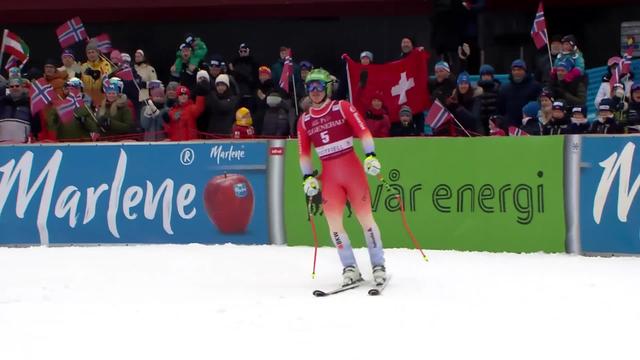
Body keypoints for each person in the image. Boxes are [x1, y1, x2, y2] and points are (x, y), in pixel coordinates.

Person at [297, 68, 387, 286]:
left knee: (366, 219)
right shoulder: (305, 120)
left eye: (319, 86)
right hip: (330, 179)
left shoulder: (342, 107)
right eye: (310, 87)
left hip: (353, 172)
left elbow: (364, 131)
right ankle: (349, 267)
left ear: (328, 87)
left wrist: (371, 156)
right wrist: (307, 178)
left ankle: (378, 265)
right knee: (334, 224)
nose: (315, 91)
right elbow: (304, 153)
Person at [497, 59, 542, 127]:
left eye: (519, 69)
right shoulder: (504, 88)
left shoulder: (535, 86)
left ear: (525, 71)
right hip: (510, 125)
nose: (516, 72)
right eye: (514, 70)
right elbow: (501, 108)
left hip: (529, 125)